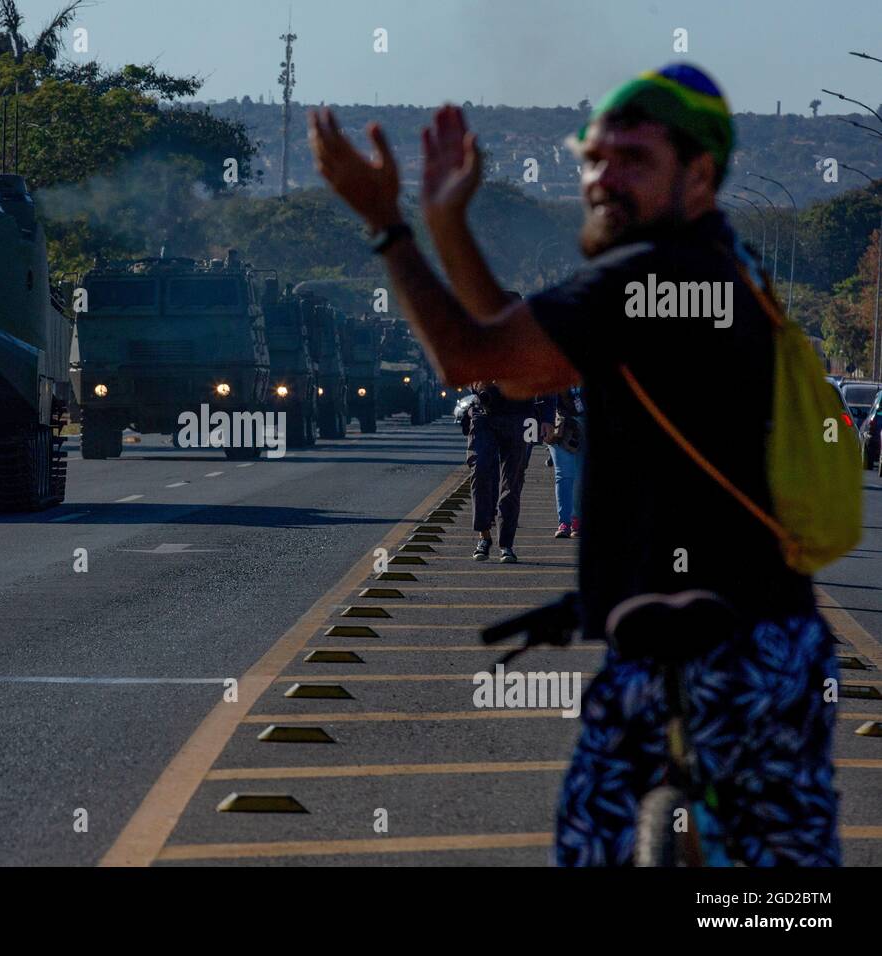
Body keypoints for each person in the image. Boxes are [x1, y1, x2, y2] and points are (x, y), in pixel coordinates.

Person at [308, 63, 838, 865]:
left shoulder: (648, 279)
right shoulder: (724, 266)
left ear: (700, 173)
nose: (602, 178)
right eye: (593, 158)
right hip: (758, 638)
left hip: (731, 655)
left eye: (633, 160)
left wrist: (388, 226)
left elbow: (468, 356)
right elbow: (522, 364)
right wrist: (448, 218)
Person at [466, 380, 551, 562]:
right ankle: (484, 535)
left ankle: (506, 544)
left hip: (523, 416)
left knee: (513, 479)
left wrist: (548, 418)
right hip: (484, 412)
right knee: (480, 469)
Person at [544, 386, 585, 538]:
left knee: (580, 476)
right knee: (564, 475)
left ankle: (576, 518)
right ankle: (566, 522)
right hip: (560, 423)